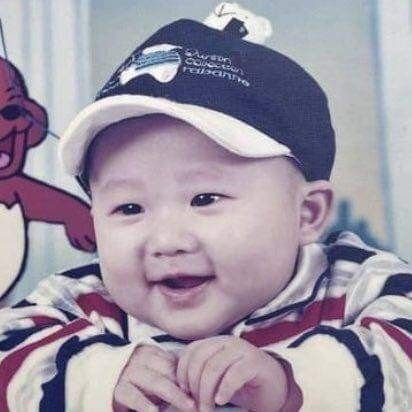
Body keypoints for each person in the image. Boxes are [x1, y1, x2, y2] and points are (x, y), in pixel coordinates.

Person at [0, 11, 411, 412]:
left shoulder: (358, 284)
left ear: (306, 213)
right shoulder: (85, 301)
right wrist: (95, 376)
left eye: (204, 199)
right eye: (129, 207)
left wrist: (291, 383)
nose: (166, 241)